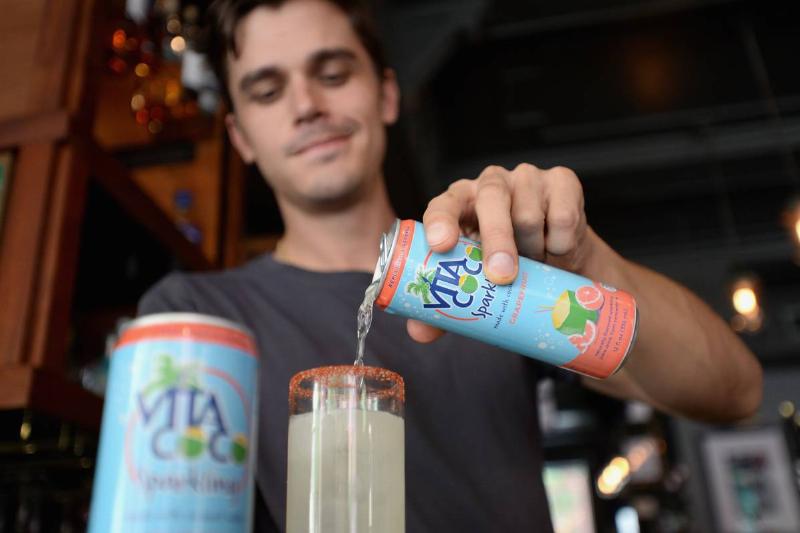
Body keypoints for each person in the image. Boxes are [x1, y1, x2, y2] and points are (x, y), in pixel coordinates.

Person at [139, 0, 764, 530]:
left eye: (332, 73)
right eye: (268, 90)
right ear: (241, 136)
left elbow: (735, 393)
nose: (306, 106)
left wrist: (583, 260)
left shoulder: (489, 280)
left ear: (386, 94)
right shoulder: (197, 319)